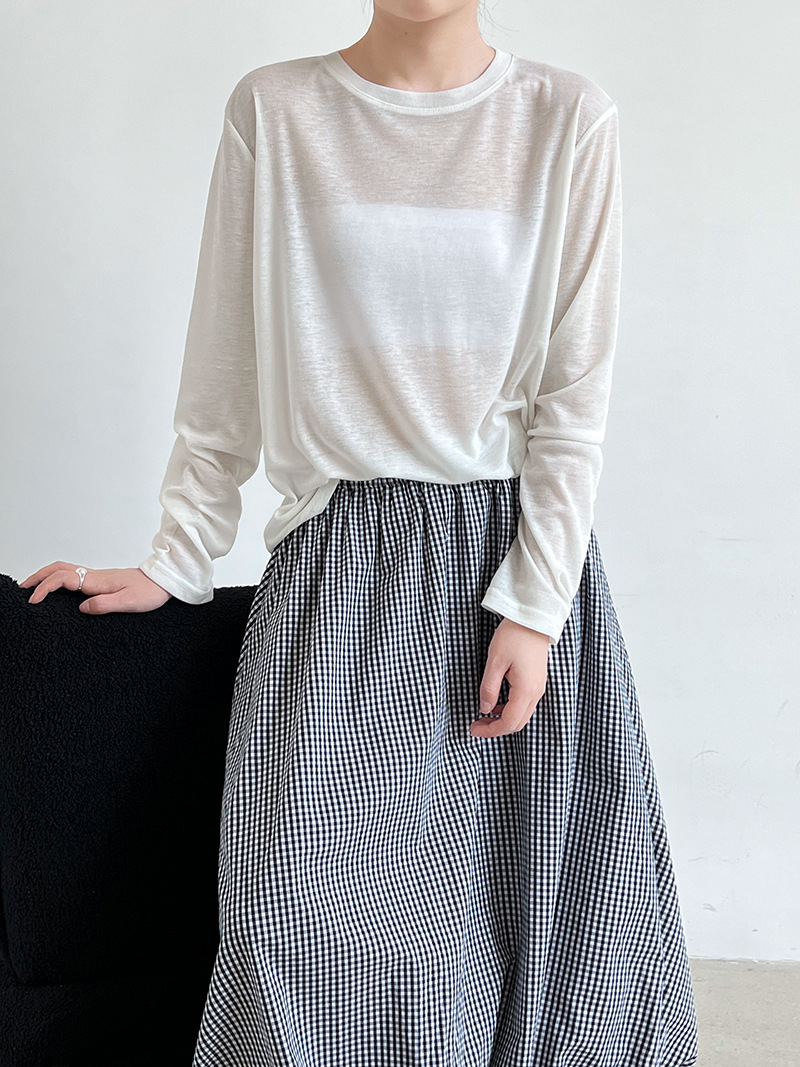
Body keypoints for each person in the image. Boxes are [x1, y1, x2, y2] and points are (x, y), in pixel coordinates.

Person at [18, 2, 700, 1064]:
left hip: (502, 561)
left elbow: (573, 396)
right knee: (292, 916)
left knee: (535, 928)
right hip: (335, 565)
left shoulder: (565, 116)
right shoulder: (277, 110)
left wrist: (534, 606)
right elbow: (225, 361)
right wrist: (179, 554)